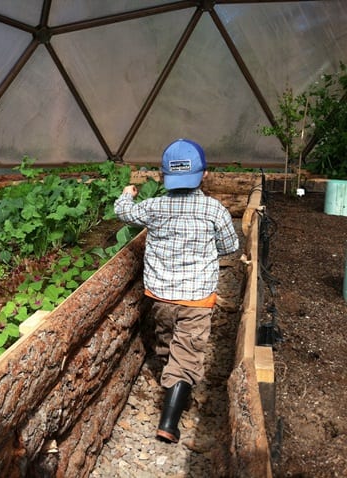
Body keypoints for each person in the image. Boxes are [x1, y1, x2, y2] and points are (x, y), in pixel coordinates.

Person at [114, 138, 239, 443]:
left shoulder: (153, 206)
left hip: (160, 297)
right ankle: (169, 422)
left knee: (167, 338)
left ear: (163, 175)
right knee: (188, 352)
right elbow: (230, 246)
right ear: (204, 174)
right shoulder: (214, 209)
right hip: (196, 300)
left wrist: (126, 195)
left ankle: (169, 377)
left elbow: (123, 214)